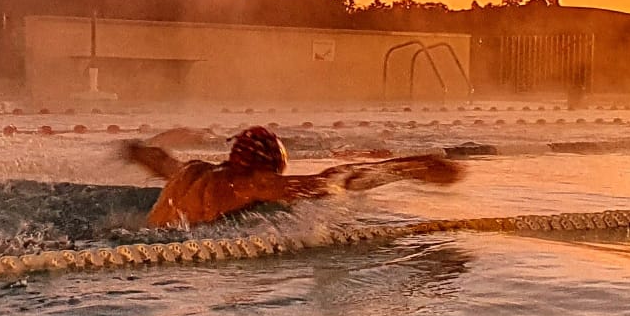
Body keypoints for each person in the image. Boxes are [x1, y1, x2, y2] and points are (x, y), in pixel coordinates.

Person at [120, 125, 462, 228]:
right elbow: (333, 181)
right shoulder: (253, 182)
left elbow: (162, 162)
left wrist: (135, 152)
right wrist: (411, 167)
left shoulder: (191, 170)